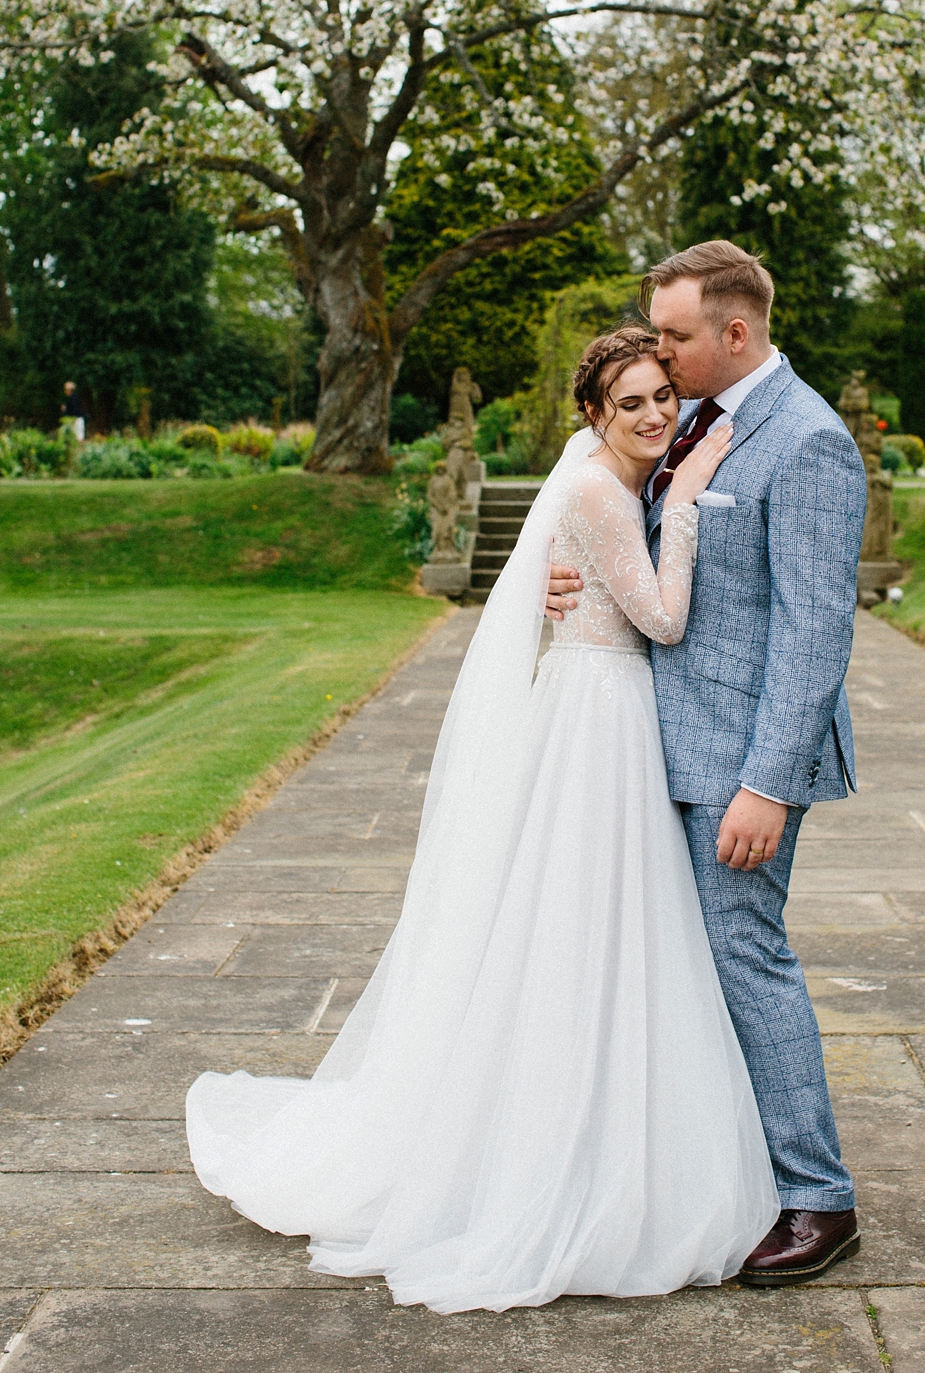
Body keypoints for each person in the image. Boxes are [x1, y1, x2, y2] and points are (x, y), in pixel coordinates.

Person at [186, 327, 779, 1314]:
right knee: (584, 927)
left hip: (604, 710)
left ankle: (592, 1123)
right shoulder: (602, 486)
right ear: (592, 415)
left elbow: (586, 585)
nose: (651, 415)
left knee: (598, 931)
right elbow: (663, 619)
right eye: (628, 402)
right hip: (599, 719)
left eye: (660, 396)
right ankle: (560, 1149)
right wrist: (679, 509)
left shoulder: (605, 478)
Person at [547, 241, 867, 1286]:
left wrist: (767, 785)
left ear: (735, 333)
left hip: (738, 762)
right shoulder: (691, 418)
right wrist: (569, 585)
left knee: (744, 955)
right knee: (676, 967)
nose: (661, 354)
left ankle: (819, 1197)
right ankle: (722, 1172)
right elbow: (629, 527)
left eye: (676, 335)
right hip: (655, 741)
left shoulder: (808, 441)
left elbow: (816, 634)